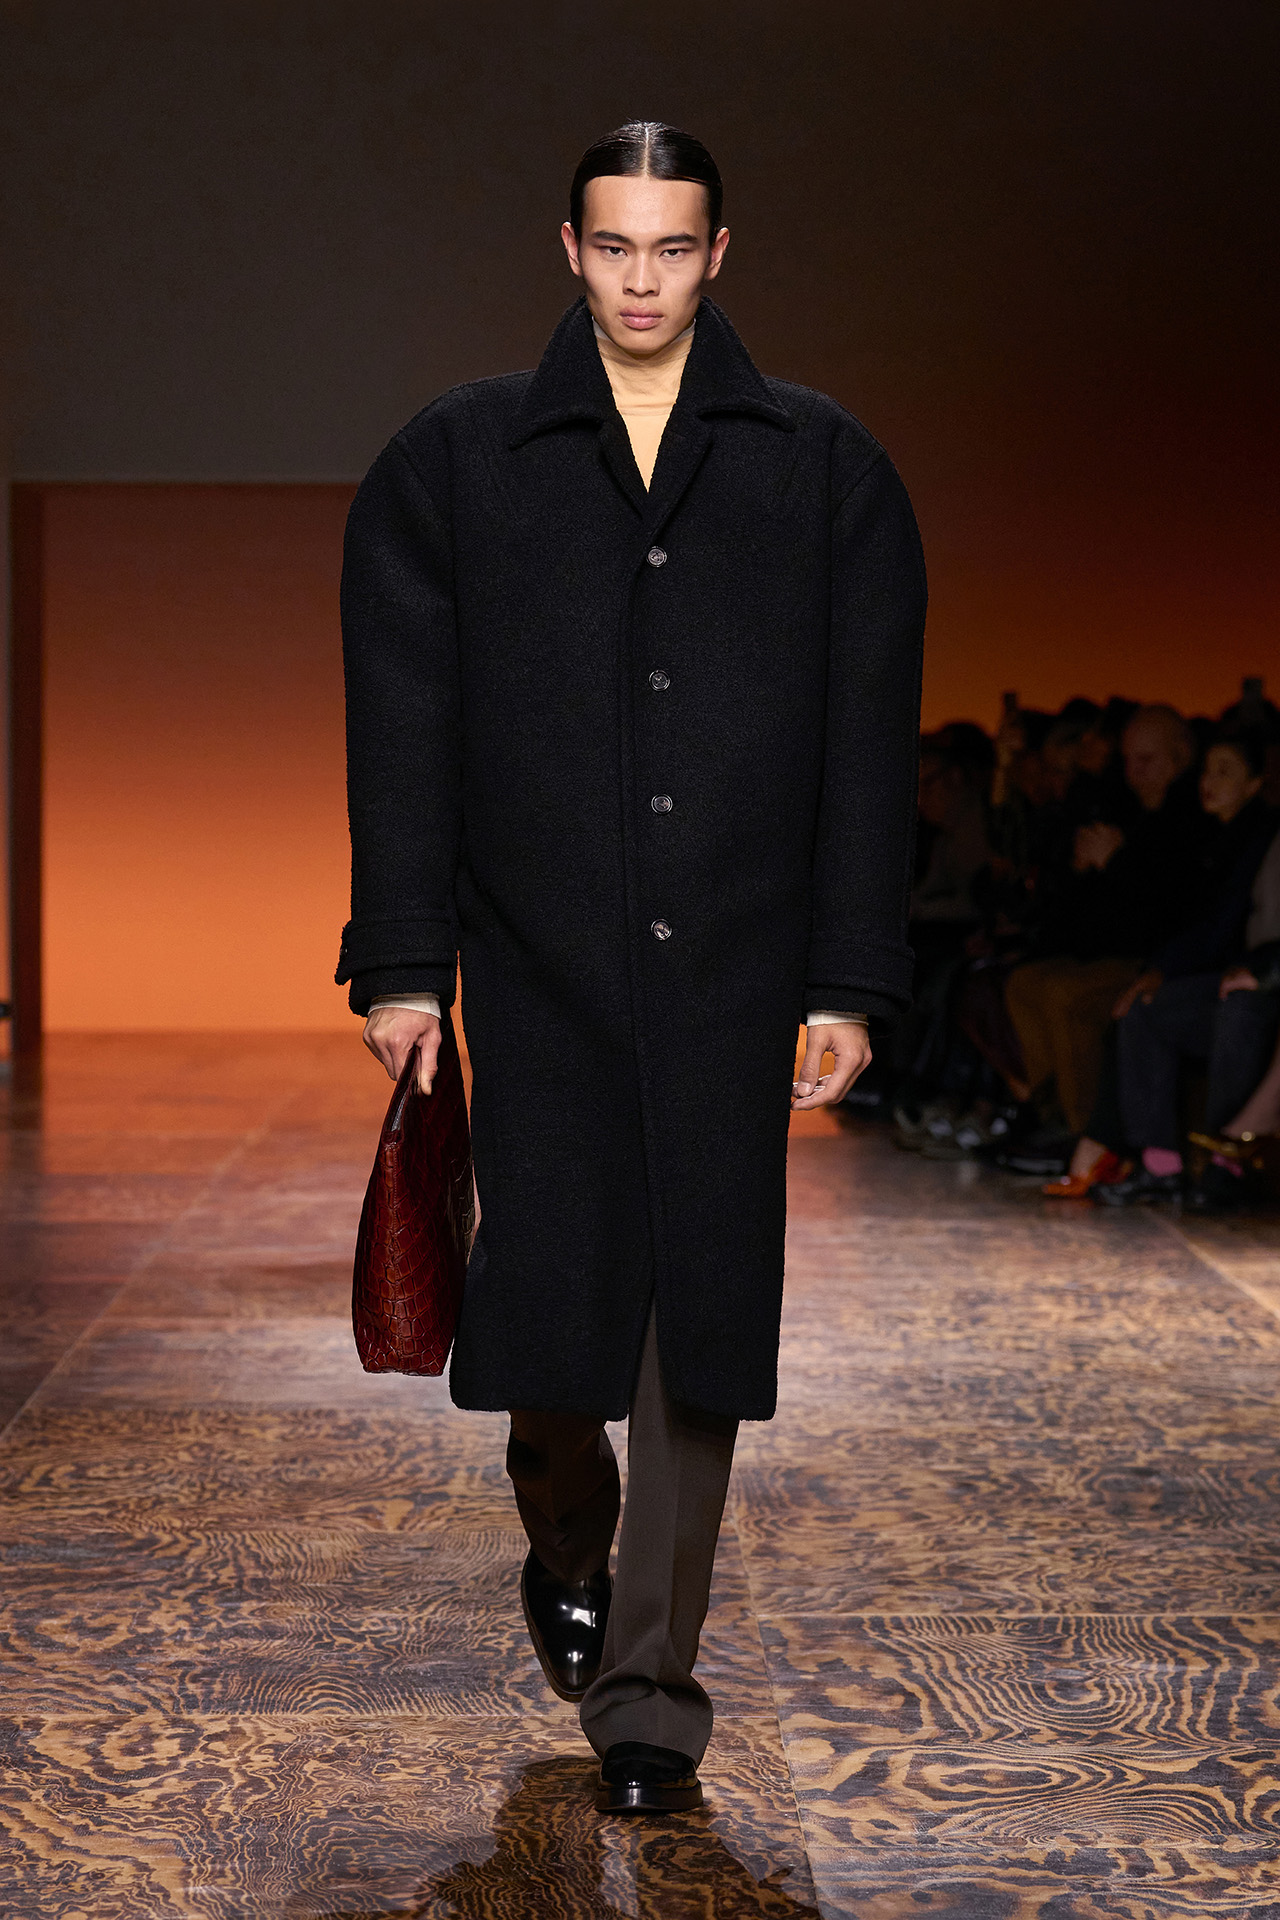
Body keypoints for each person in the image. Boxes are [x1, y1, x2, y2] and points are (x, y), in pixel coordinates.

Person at [337, 123, 925, 1813]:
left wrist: (847, 978)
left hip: (740, 958)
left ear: (719, 254)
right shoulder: (457, 461)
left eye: (674, 248)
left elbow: (867, 745)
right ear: (570, 249)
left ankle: (651, 1695)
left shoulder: (823, 468)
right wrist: (404, 963)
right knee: (545, 1307)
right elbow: (405, 731)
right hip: (541, 960)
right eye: (615, 247)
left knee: (697, 1317)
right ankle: (565, 1530)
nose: (644, 280)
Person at [1000, 704, 1197, 1166]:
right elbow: (1088, 903)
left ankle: (1084, 1132)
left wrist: (1116, 862)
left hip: (1157, 962)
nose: (1134, 772)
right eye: (1127, 760)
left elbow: (1176, 909)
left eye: (1146, 760)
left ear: (1180, 758)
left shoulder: (1192, 817)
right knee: (1025, 983)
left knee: (1068, 998)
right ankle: (1050, 1114)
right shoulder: (1130, 809)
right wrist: (1082, 866)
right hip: (1110, 950)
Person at [1092, 733, 1278, 1207]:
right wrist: (1160, 970)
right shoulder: (1212, 836)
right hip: (1232, 973)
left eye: (1225, 771)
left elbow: (1225, 924)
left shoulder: (1257, 834)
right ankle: (1159, 1163)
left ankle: (1225, 1165)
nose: (1209, 782)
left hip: (1257, 980)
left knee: (1239, 1008)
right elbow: (1197, 922)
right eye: (1207, 770)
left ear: (1255, 783)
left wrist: (1260, 970)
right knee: (1145, 1010)